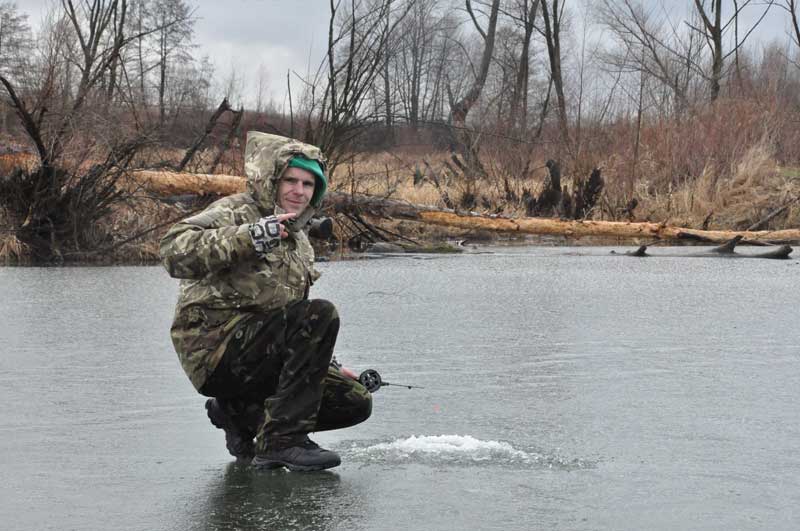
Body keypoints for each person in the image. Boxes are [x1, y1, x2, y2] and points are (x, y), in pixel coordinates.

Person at [159, 131, 372, 471]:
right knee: (321, 313)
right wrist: (254, 235)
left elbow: (289, 319)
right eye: (290, 180)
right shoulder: (236, 211)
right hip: (214, 351)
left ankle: (238, 416)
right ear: (271, 179)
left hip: (258, 355)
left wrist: (327, 366)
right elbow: (172, 250)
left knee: (353, 400)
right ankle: (282, 442)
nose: (299, 191)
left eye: (308, 184)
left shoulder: (301, 242)